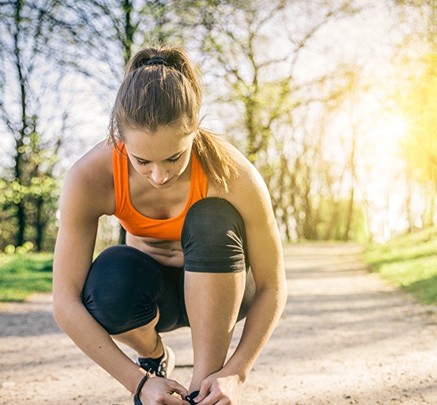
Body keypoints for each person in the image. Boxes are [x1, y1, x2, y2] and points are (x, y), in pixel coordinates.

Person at [52, 45, 287, 405]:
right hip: (153, 299)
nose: (159, 176)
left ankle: (202, 389)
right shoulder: (89, 177)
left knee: (212, 217)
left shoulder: (233, 174)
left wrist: (235, 372)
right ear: (120, 137)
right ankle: (155, 356)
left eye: (175, 157)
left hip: (227, 291)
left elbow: (273, 286)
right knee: (110, 277)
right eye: (142, 161)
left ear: (194, 129)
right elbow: (65, 302)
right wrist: (140, 383)